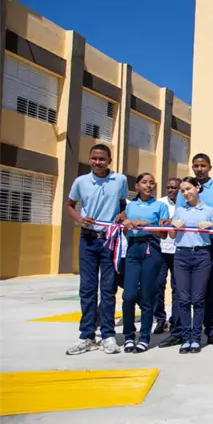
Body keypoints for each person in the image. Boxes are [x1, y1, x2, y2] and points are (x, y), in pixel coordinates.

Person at [64, 144, 127, 355]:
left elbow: (123, 204)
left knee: (108, 290)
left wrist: (122, 215)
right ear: (90, 159)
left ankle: (108, 335)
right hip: (88, 240)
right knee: (87, 289)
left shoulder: (120, 180)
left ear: (109, 160)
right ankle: (87, 336)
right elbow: (69, 205)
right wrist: (81, 219)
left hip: (110, 241)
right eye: (94, 158)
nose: (97, 162)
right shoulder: (81, 182)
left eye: (101, 159)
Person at [176, 154, 213, 347]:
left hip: (211, 243)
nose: (199, 169)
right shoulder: (184, 191)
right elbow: (176, 220)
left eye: (202, 165)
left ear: (209, 167)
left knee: (210, 290)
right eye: (196, 166)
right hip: (187, 245)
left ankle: (212, 331)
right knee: (184, 293)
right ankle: (182, 333)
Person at [170, 177, 213, 354]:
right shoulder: (179, 210)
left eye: (189, 189)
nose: (186, 193)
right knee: (183, 298)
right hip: (181, 255)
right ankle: (186, 338)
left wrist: (211, 226)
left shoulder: (209, 210)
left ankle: (196, 337)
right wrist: (173, 226)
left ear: (197, 188)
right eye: (182, 190)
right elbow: (170, 236)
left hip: (201, 254)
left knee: (198, 298)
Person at [120, 173, 170, 353]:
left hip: (152, 248)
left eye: (151, 183)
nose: (148, 186)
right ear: (137, 186)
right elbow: (123, 226)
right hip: (133, 249)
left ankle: (144, 337)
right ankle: (128, 336)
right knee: (129, 296)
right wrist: (126, 223)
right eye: (144, 183)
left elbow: (163, 234)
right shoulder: (130, 206)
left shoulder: (160, 206)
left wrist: (148, 225)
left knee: (148, 296)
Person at [155, 178, 180, 341]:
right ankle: (159, 318)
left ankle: (175, 320)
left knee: (177, 288)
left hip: (178, 251)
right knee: (158, 286)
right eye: (168, 187)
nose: (171, 190)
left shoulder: (185, 204)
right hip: (161, 250)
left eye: (174, 188)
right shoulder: (160, 203)